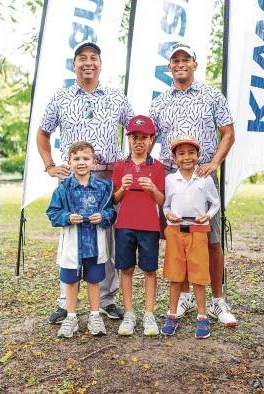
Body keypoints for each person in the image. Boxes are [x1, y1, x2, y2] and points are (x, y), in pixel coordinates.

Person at [37, 41, 134, 324]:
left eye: (94, 58)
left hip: (106, 177)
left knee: (106, 237)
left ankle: (106, 300)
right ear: (74, 64)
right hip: (72, 179)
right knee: (71, 236)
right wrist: (50, 165)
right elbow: (43, 133)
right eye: (82, 58)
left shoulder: (116, 96)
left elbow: (136, 129)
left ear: (100, 65)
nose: (88, 63)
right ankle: (64, 302)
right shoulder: (61, 97)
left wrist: (129, 162)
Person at [149, 42, 237, 327]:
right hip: (171, 178)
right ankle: (185, 295)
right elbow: (147, 138)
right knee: (178, 240)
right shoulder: (160, 101)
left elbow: (228, 133)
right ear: (169, 67)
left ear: (195, 64)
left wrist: (214, 164)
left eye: (185, 59)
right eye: (175, 60)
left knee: (210, 241)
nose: (180, 64)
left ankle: (217, 300)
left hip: (202, 178)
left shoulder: (211, 95)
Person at [46, 141, 117, 337]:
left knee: (94, 280)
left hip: (94, 244)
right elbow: (52, 213)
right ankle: (71, 317)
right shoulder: (64, 188)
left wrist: (103, 216)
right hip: (72, 244)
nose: (81, 162)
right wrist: (67, 217)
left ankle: (95, 316)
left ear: (93, 162)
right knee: (70, 281)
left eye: (85, 158)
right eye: (76, 159)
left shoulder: (103, 187)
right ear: (69, 162)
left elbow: (111, 212)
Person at [160, 135, 220, 339]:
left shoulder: (205, 178)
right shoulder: (170, 180)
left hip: (198, 231)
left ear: (198, 155)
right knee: (175, 275)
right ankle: (172, 314)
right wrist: (168, 214)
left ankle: (202, 317)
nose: (187, 157)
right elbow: (166, 205)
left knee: (199, 275)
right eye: (181, 154)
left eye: (191, 153)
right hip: (176, 231)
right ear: (175, 158)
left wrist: (208, 216)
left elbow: (215, 203)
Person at [111, 115, 165, 336]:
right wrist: (122, 188)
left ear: (151, 139)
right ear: (129, 139)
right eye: (135, 137)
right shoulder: (120, 166)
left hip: (150, 226)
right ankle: (130, 313)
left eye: (144, 137)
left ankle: (149, 314)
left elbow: (162, 201)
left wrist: (152, 188)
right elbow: (115, 200)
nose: (139, 141)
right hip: (124, 225)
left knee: (150, 270)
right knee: (126, 269)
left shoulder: (158, 167)